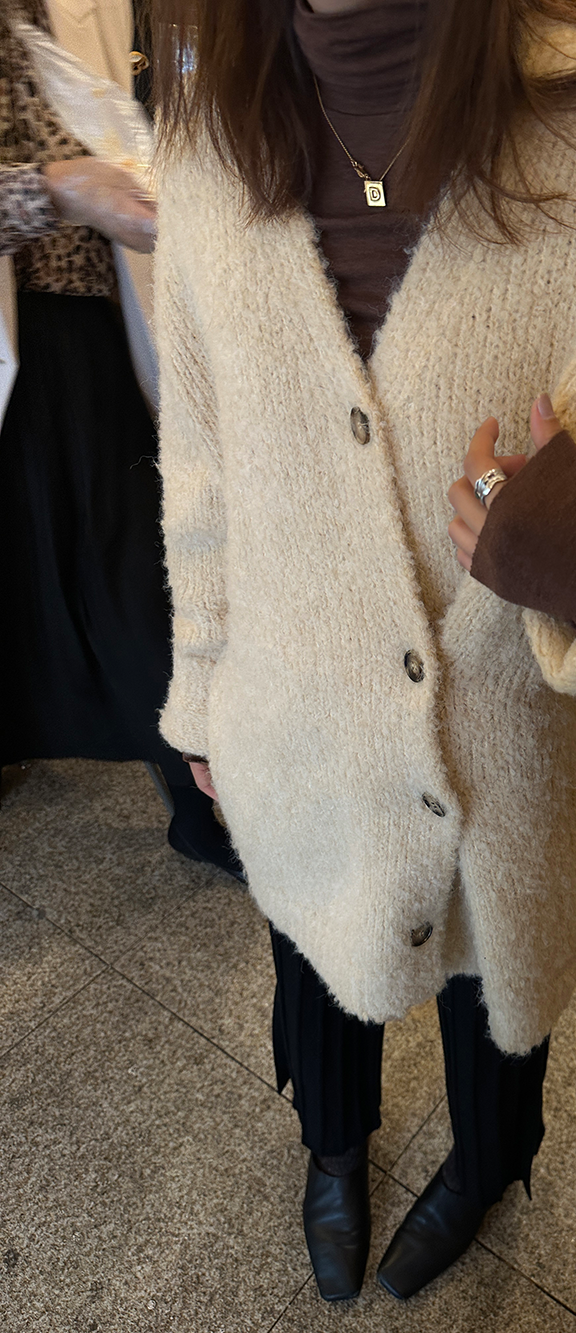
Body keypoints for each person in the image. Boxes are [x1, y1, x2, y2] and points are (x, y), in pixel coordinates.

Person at [151, 0, 576, 1302]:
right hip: (291, 724)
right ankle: (331, 1146)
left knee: (498, 998)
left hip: (523, 771)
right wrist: (200, 695)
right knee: (315, 949)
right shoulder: (208, 141)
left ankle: (484, 1167)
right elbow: (201, 472)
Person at [0, 0, 243, 880]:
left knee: (146, 577)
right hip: (30, 335)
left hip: (86, 333)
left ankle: (211, 808)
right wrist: (56, 190)